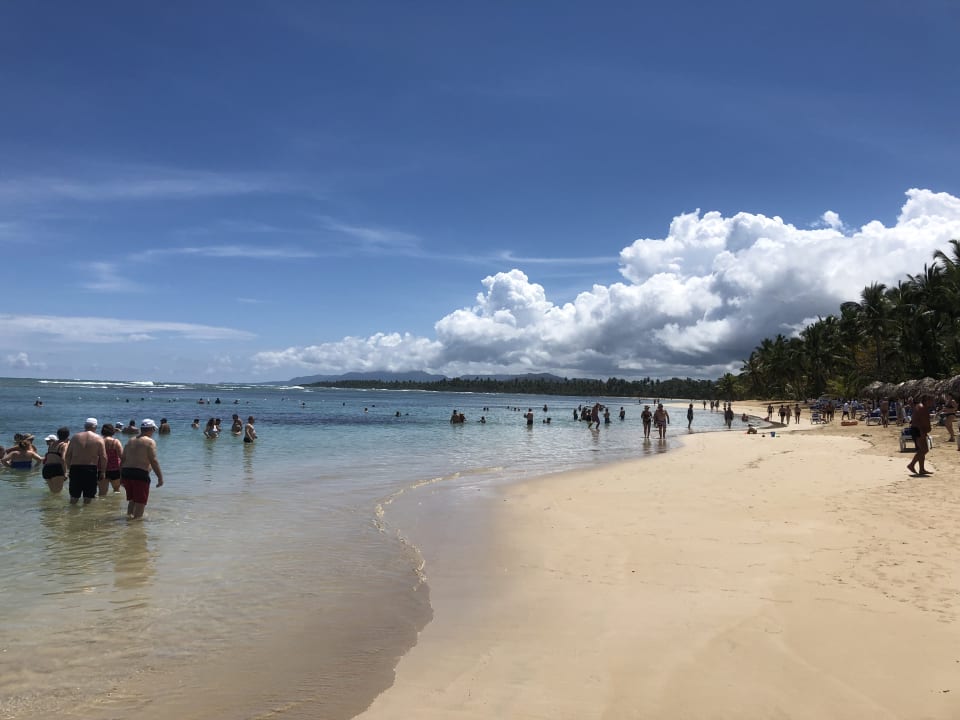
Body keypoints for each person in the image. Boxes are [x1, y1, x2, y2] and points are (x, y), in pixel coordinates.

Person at [120, 419, 164, 519]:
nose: (154, 432)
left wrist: (121, 476)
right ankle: (135, 527)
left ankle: (129, 520)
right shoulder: (150, 442)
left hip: (126, 472)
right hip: (139, 474)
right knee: (140, 502)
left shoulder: (131, 440)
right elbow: (153, 461)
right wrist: (160, 478)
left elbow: (123, 459)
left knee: (132, 500)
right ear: (151, 429)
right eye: (153, 430)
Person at [64, 418, 107, 505]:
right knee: (88, 498)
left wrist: (69, 468)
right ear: (95, 427)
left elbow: (67, 455)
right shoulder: (99, 438)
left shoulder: (75, 437)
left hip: (75, 468)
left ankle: (71, 516)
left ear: (85, 426)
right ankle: (85, 517)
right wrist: (103, 472)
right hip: (90, 469)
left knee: (74, 497)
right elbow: (104, 457)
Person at [907, 395, 932, 475]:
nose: (932, 402)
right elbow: (921, 421)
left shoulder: (920, 406)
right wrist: (923, 431)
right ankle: (912, 464)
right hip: (918, 430)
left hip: (918, 429)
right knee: (924, 450)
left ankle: (921, 469)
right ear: (926, 400)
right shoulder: (922, 408)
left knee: (921, 450)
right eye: (931, 400)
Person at [41, 428, 70, 493]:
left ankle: (48, 503)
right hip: (56, 469)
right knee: (57, 493)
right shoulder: (64, 445)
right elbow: (63, 459)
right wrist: (65, 472)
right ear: (68, 435)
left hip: (46, 469)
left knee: (53, 492)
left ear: (58, 435)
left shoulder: (51, 444)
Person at [101, 423, 124, 494]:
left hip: (102, 469)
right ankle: (115, 505)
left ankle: (101, 505)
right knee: (117, 491)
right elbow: (122, 457)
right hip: (115, 469)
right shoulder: (116, 442)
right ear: (112, 431)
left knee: (102, 493)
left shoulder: (99, 441)